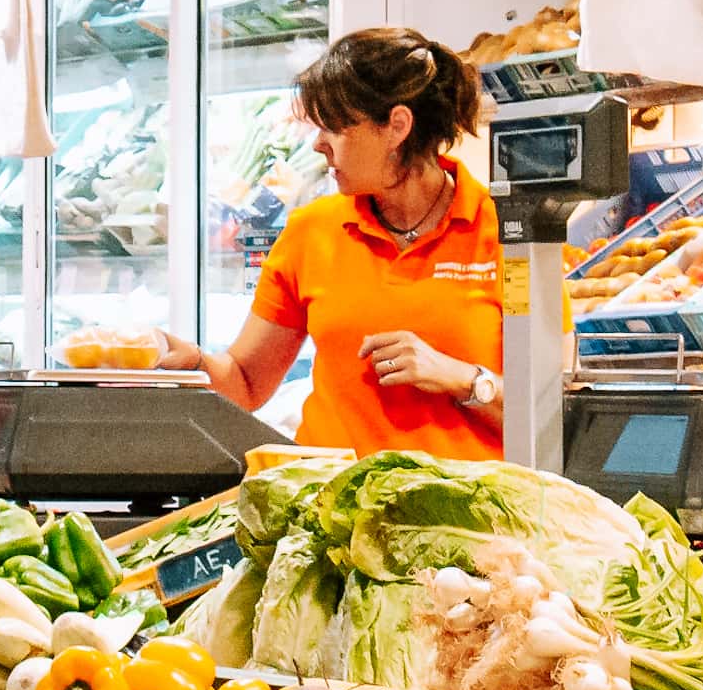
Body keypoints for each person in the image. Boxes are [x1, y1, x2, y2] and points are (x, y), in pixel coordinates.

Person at [161, 26, 503, 459]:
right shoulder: (311, 231)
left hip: (461, 515)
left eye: (334, 128)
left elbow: (551, 414)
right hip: (330, 509)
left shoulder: (507, 233)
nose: (318, 144)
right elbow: (246, 383)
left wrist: (464, 379)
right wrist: (189, 361)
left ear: (397, 126)